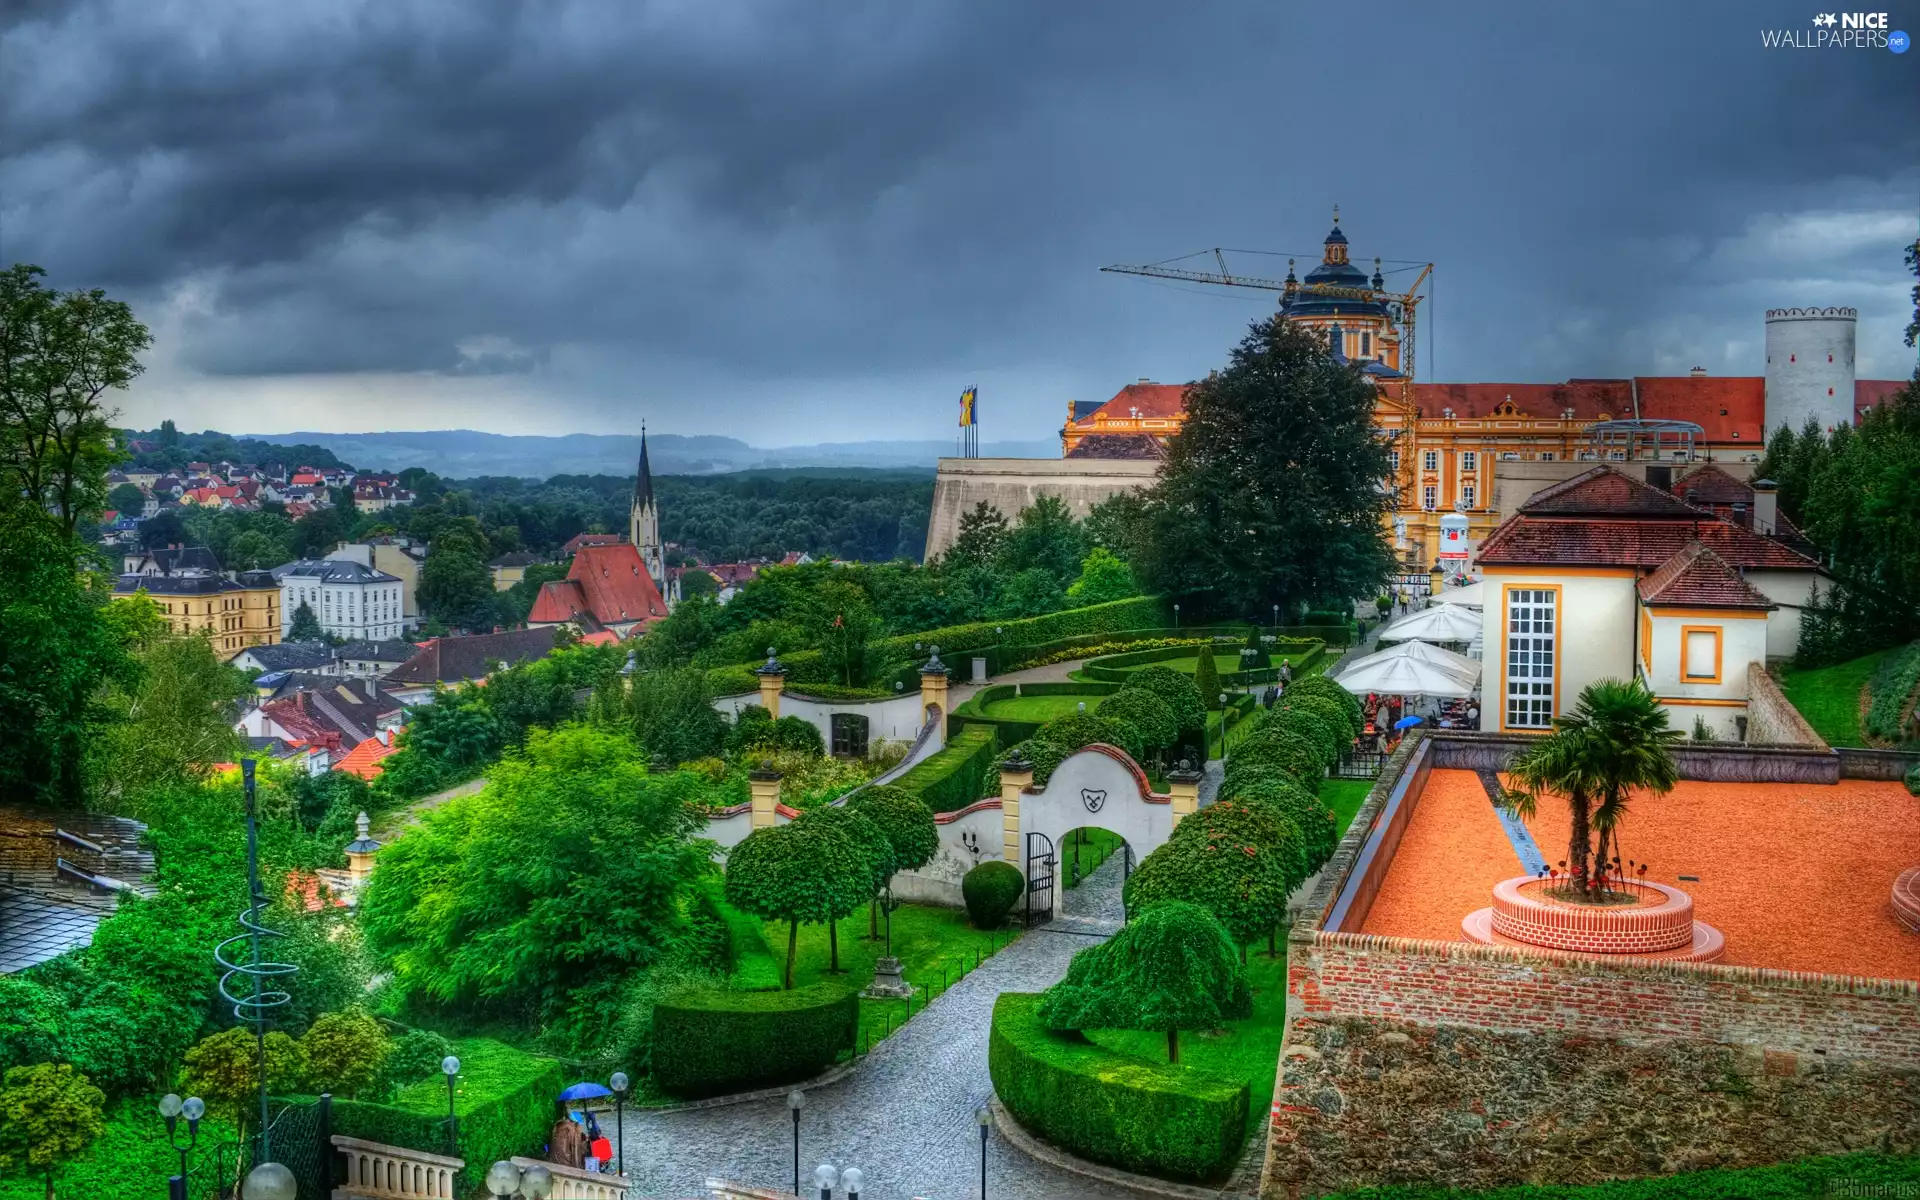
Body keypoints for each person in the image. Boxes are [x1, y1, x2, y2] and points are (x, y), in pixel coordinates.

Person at [549, 1103, 587, 1169]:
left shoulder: (559, 1124)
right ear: (575, 1122)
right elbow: (575, 1150)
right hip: (564, 1163)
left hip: (553, 1159)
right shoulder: (572, 1130)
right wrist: (578, 1167)